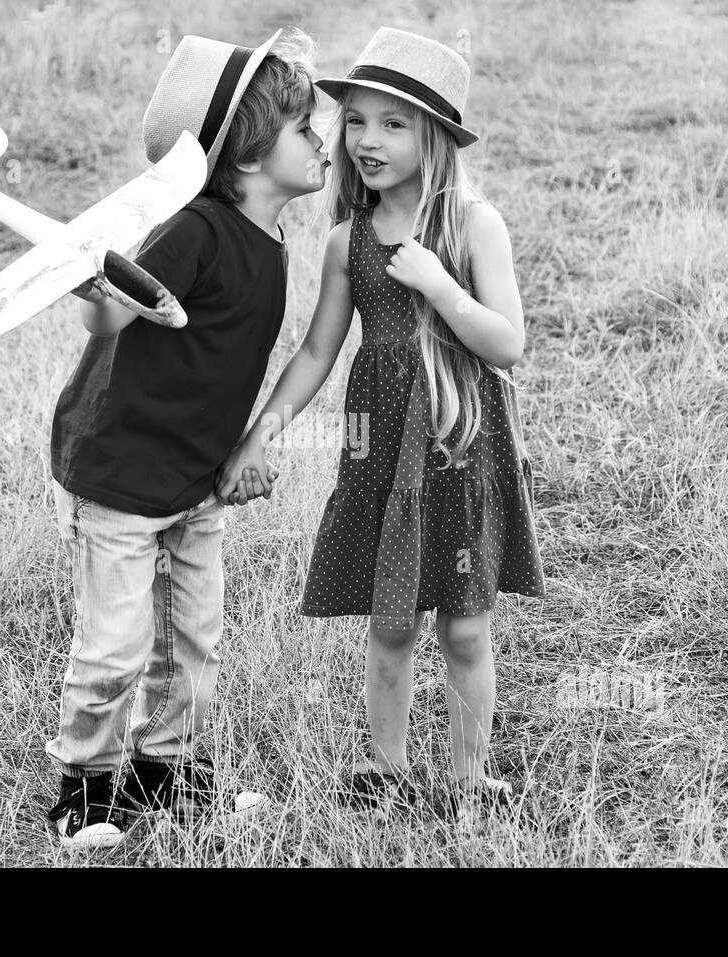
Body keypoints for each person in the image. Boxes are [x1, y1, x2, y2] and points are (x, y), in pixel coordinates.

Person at [218, 27, 544, 823]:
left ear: (434, 137)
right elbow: (316, 352)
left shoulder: (474, 225)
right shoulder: (347, 242)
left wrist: (440, 285)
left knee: (464, 628)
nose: (366, 140)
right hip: (379, 454)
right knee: (391, 622)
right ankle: (384, 768)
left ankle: (470, 777)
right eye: (355, 120)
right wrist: (264, 430)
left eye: (393, 124)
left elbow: (509, 343)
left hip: (462, 445)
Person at [47, 26, 327, 847]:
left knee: (192, 640)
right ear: (247, 159)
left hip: (198, 475)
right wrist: (87, 279)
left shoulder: (270, 238)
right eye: (305, 130)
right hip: (125, 470)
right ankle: (85, 789)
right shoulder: (196, 230)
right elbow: (108, 315)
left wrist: (254, 443)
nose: (323, 141)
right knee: (115, 646)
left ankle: (164, 775)